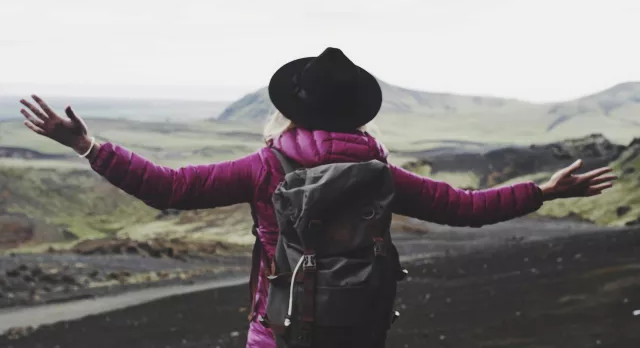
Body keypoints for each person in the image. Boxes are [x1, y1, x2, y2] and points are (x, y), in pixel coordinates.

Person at [18, 47, 616, 348]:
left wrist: (88, 145)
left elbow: (168, 189)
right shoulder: (379, 170)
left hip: (276, 330)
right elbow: (464, 208)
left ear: (289, 110)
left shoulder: (266, 166)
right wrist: (541, 190)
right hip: (357, 326)